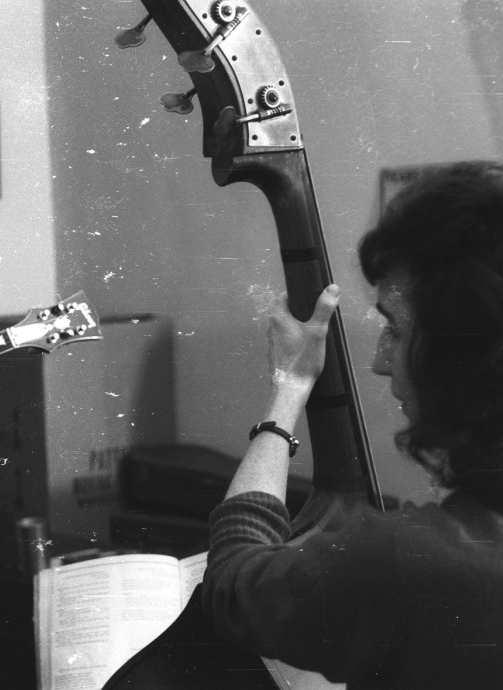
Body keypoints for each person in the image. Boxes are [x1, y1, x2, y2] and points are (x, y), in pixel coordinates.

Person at [202, 159, 503, 687]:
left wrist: (289, 389)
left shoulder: (413, 563)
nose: (381, 360)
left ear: (463, 356)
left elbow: (232, 585)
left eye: (395, 329)